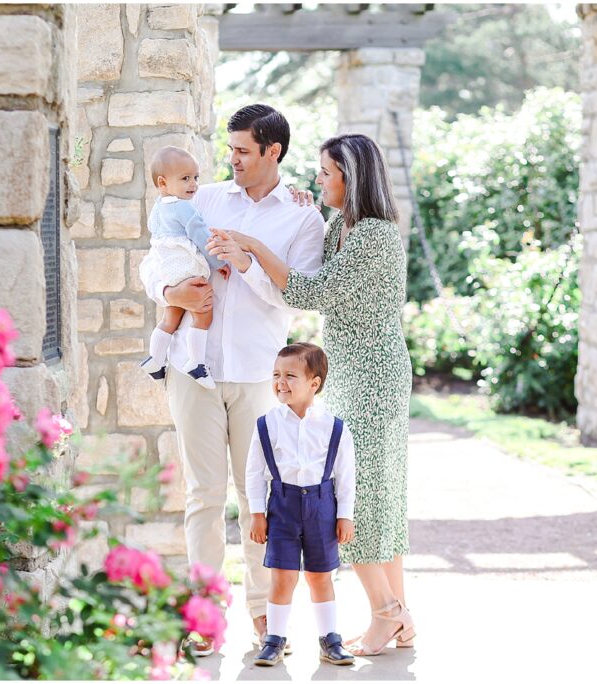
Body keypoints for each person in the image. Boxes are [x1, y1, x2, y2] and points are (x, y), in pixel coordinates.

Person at [208, 133, 415, 657]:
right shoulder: (339, 228)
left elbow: (308, 291)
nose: (317, 181)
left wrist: (253, 245)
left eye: (325, 173)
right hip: (354, 371)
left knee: (363, 498)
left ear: (351, 176)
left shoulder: (372, 236)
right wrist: (302, 203)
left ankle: (386, 614)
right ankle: (400, 618)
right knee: (378, 493)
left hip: (373, 376)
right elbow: (309, 264)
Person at [139, 104, 326, 655]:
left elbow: (296, 296)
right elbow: (157, 258)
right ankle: (203, 616)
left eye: (243, 150)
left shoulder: (302, 218)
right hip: (190, 369)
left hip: (257, 374)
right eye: (231, 149)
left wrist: (246, 262)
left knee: (259, 498)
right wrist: (168, 294)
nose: (232, 159)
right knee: (202, 494)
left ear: (274, 152)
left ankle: (267, 617)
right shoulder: (207, 197)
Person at [246, 342, 357, 667]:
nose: (281, 382)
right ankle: (275, 639)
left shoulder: (334, 427)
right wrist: (256, 514)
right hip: (282, 506)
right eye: (276, 374)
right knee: (282, 576)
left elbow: (346, 476)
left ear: (314, 383)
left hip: (322, 506)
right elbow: (254, 473)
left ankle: (330, 638)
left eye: (290, 375)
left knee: (320, 576)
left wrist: (344, 516)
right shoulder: (267, 424)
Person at [138, 146, 230, 390]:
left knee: (171, 317)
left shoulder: (158, 207)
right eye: (185, 178)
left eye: (196, 177)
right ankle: (196, 363)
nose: (194, 184)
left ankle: (155, 359)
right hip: (188, 269)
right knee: (203, 313)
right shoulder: (185, 208)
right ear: (163, 182)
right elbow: (201, 237)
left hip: (169, 271)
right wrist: (218, 263)